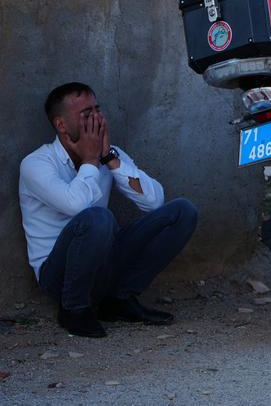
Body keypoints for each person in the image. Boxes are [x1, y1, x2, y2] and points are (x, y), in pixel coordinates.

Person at [19, 82, 198, 338]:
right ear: (61, 125)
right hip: (58, 275)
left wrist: (109, 159)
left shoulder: (107, 154)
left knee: (182, 211)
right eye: (86, 114)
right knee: (97, 217)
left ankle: (118, 299)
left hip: (103, 264)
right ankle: (74, 309)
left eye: (97, 109)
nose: (98, 119)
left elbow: (154, 201)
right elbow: (76, 205)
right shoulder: (36, 164)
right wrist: (91, 161)